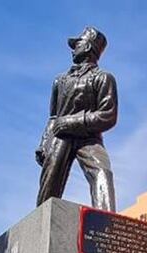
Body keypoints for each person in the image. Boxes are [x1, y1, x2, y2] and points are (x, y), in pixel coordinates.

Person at [35, 26, 118, 211]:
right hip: (60, 137)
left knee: (103, 173)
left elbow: (108, 115)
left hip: (89, 137)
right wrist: (43, 143)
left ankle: (106, 226)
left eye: (77, 44)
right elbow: (54, 116)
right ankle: (41, 224)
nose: (73, 48)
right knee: (50, 183)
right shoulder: (60, 80)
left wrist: (73, 122)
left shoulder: (103, 78)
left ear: (88, 47)